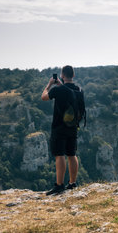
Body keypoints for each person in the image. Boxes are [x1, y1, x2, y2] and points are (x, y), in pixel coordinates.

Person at [41, 65, 83, 195]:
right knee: (71, 154)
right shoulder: (79, 90)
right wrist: (60, 84)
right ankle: (72, 183)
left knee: (59, 155)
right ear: (73, 75)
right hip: (73, 126)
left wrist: (49, 85)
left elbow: (44, 97)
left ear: (62, 76)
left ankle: (59, 185)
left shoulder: (58, 90)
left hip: (59, 127)